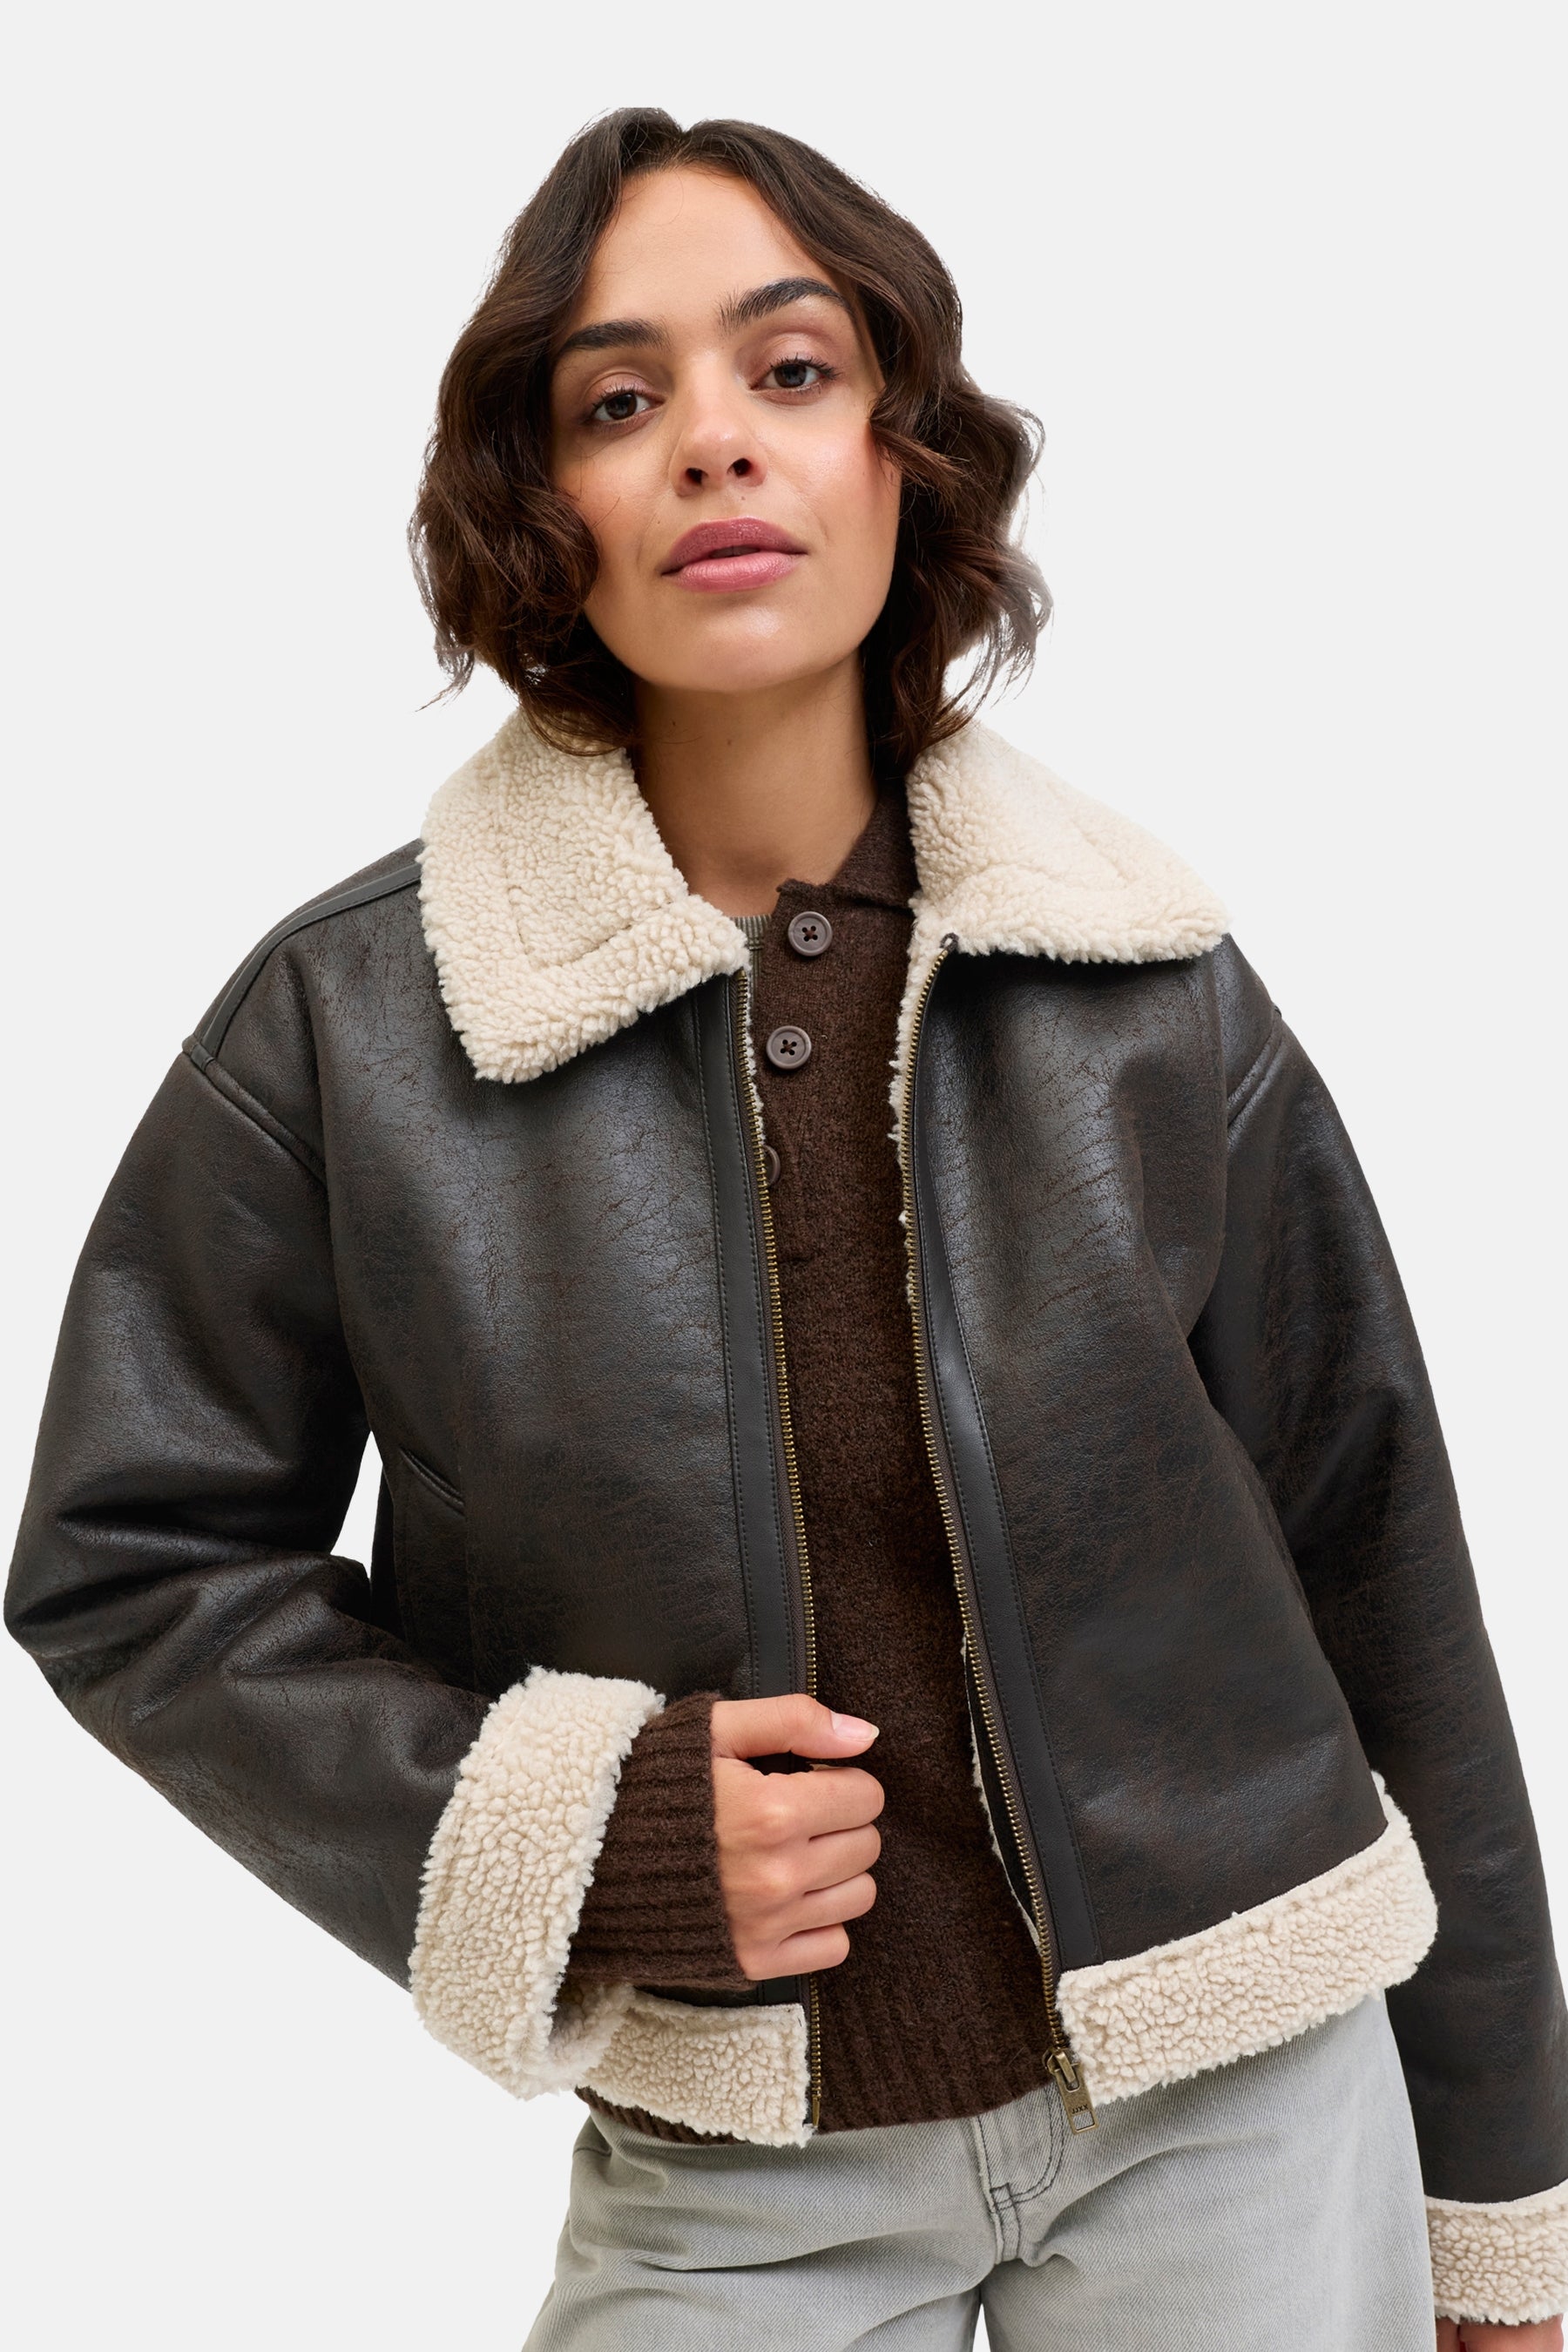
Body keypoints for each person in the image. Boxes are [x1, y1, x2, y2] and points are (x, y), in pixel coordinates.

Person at [7, 107, 1565, 2351]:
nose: (717, 443)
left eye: (794, 370)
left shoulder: (1147, 979)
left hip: (1251, 2107)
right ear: (540, 508)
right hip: (739, 2181)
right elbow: (133, 1564)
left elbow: (1380, 1558)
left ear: (905, 455)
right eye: (617, 401)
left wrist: (1503, 2189)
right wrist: (593, 1836)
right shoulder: (352, 1030)